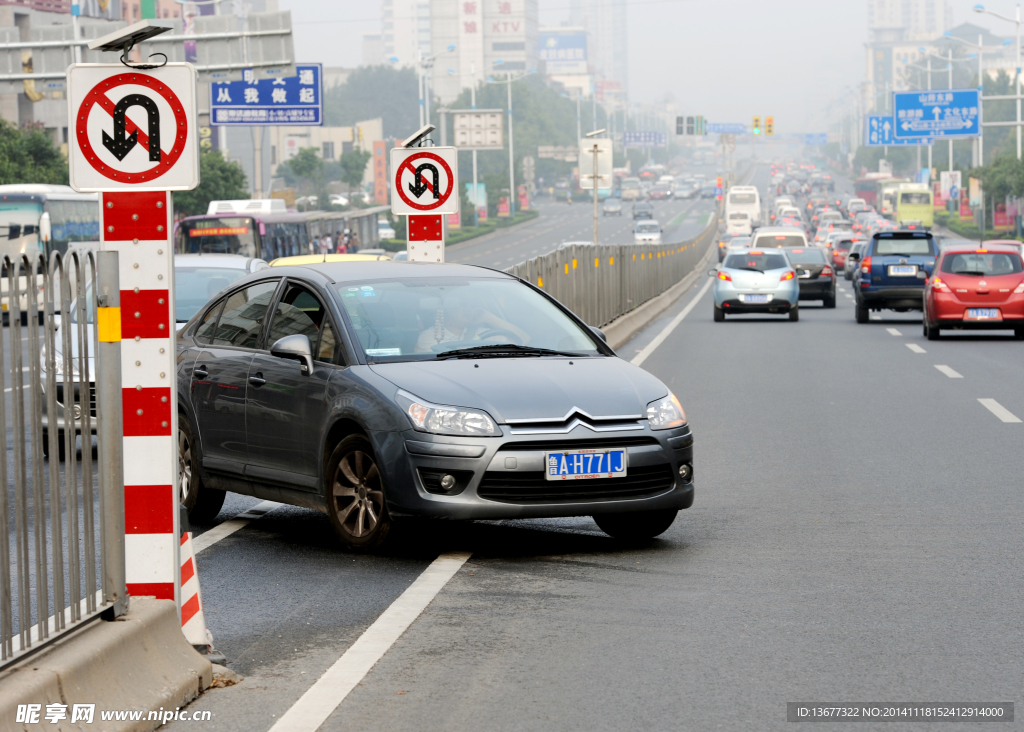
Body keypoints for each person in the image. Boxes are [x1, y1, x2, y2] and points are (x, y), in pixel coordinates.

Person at [415, 296, 529, 353]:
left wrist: (487, 316)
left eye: (472, 305)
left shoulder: (486, 333)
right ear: (448, 308)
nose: (469, 309)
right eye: (463, 304)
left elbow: (523, 340)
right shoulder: (431, 336)